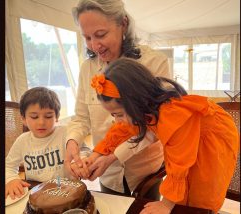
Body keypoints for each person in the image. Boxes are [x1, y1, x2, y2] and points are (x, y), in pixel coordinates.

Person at [80, 57, 239, 213]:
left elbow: (179, 163)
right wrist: (96, 154)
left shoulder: (173, 116)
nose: (117, 120)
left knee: (200, 194)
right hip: (189, 139)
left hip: (213, 140)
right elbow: (121, 130)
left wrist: (166, 204)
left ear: (135, 101)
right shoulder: (144, 107)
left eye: (118, 114)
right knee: (184, 191)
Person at [65, 0, 170, 199]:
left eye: (101, 34)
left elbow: (156, 125)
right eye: (87, 38)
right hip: (107, 174)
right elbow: (81, 118)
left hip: (145, 172)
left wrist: (113, 156)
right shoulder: (87, 68)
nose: (95, 46)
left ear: (123, 24)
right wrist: (72, 143)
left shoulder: (154, 62)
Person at [5, 87, 67, 200]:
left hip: (65, 191)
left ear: (57, 117)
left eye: (48, 116)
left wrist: (82, 160)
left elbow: (83, 150)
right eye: (34, 117)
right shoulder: (22, 140)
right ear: (23, 119)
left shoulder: (65, 133)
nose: (41, 122)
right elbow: (8, 165)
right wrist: (11, 179)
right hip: (36, 193)